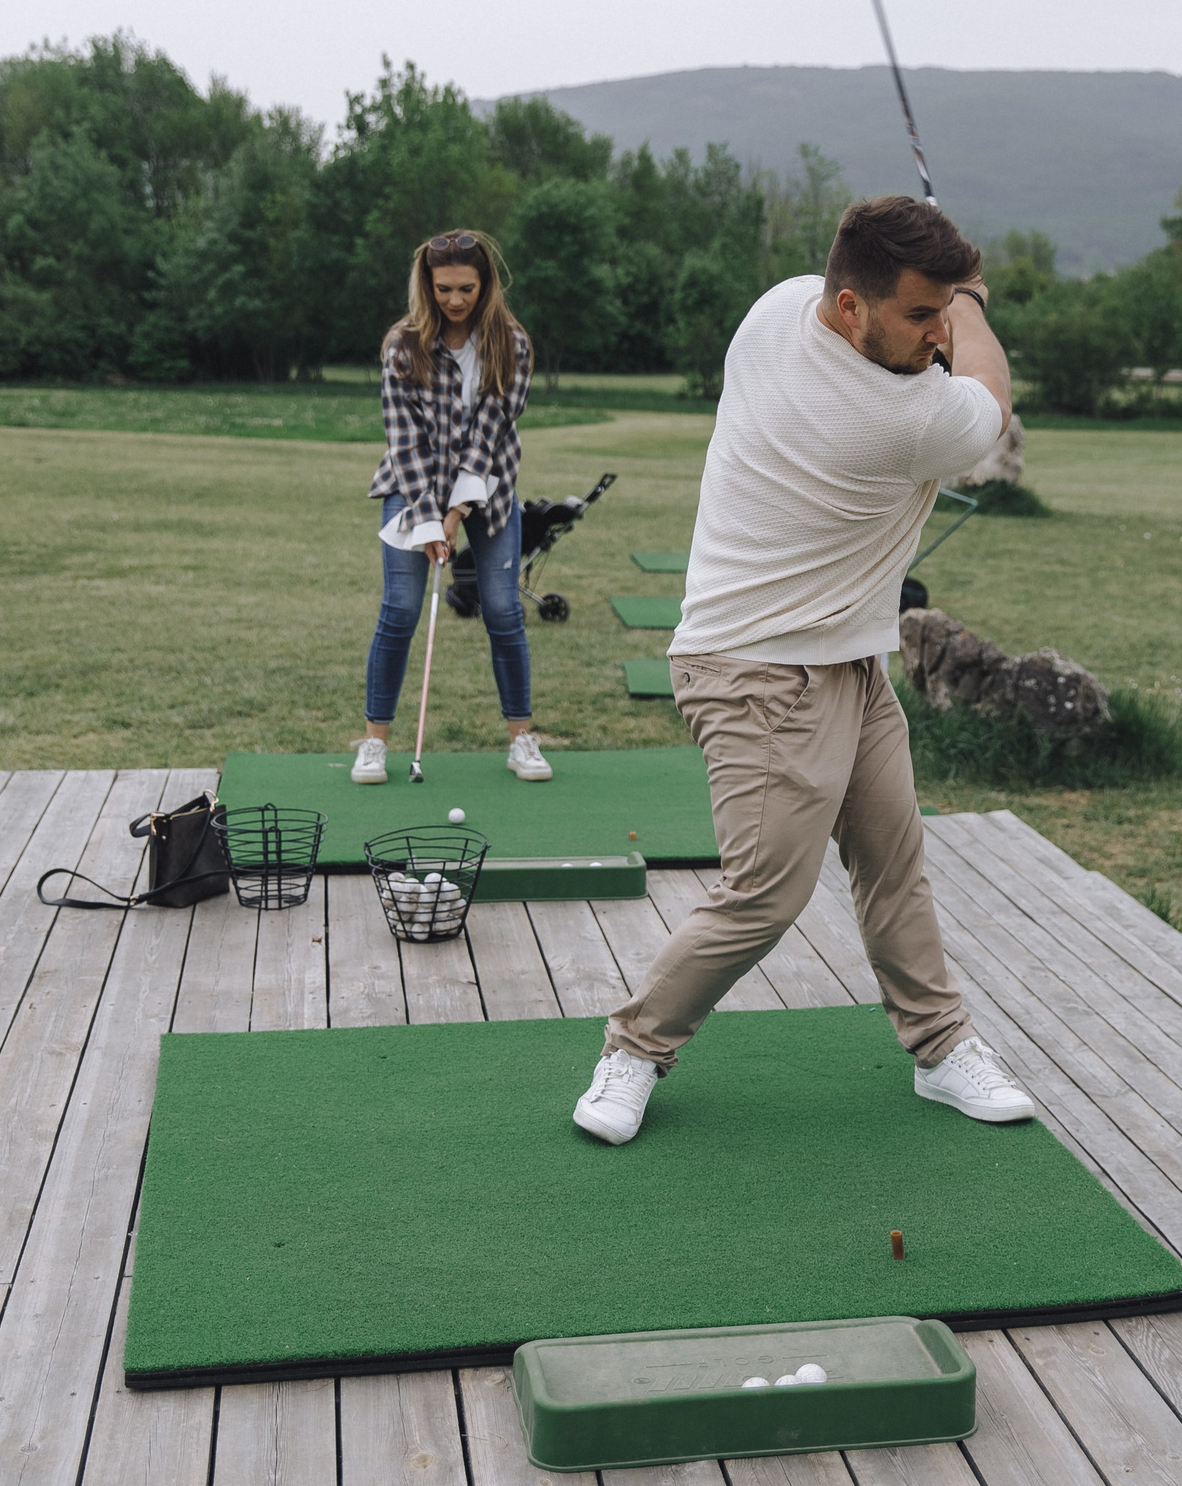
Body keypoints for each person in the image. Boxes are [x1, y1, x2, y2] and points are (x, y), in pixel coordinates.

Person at [572, 196, 1037, 1144]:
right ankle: (633, 1046)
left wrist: (933, 282)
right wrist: (980, 305)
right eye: (921, 313)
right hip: (756, 667)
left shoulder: (778, 305)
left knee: (893, 859)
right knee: (764, 892)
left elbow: (904, 306)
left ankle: (941, 1048)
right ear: (851, 306)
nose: (939, 330)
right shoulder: (896, 417)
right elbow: (990, 404)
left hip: (844, 657)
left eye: (945, 309)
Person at [355, 230, 552, 785]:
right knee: (399, 611)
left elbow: (491, 429)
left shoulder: (510, 342)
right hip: (411, 485)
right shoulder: (403, 343)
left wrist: (457, 512)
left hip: (488, 488)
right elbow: (404, 440)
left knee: (503, 611)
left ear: (486, 284)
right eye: (444, 289)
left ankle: (522, 740)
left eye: (467, 288)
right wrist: (426, 518)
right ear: (428, 284)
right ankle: (374, 744)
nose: (456, 300)